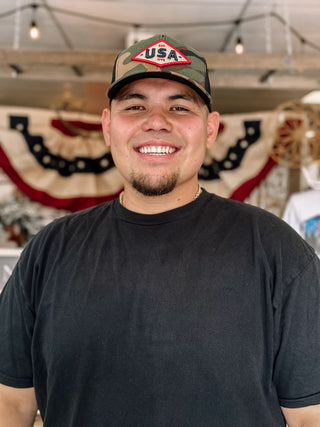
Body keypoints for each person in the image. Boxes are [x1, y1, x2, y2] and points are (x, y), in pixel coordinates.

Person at [0, 34, 319, 427]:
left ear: (210, 129)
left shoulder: (278, 253)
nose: (155, 122)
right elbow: (10, 405)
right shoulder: (48, 252)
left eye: (180, 106)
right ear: (107, 126)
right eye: (135, 106)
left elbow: (309, 417)